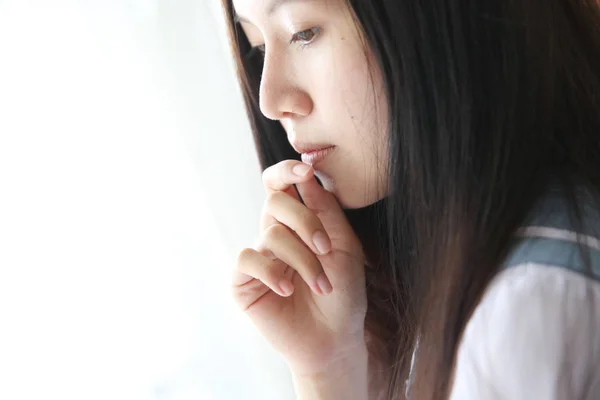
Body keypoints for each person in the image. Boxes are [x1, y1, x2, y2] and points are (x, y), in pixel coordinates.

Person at [223, 0, 600, 398]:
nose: (270, 100)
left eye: (303, 32)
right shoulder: (458, 282)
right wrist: (328, 367)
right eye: (259, 47)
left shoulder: (526, 305)